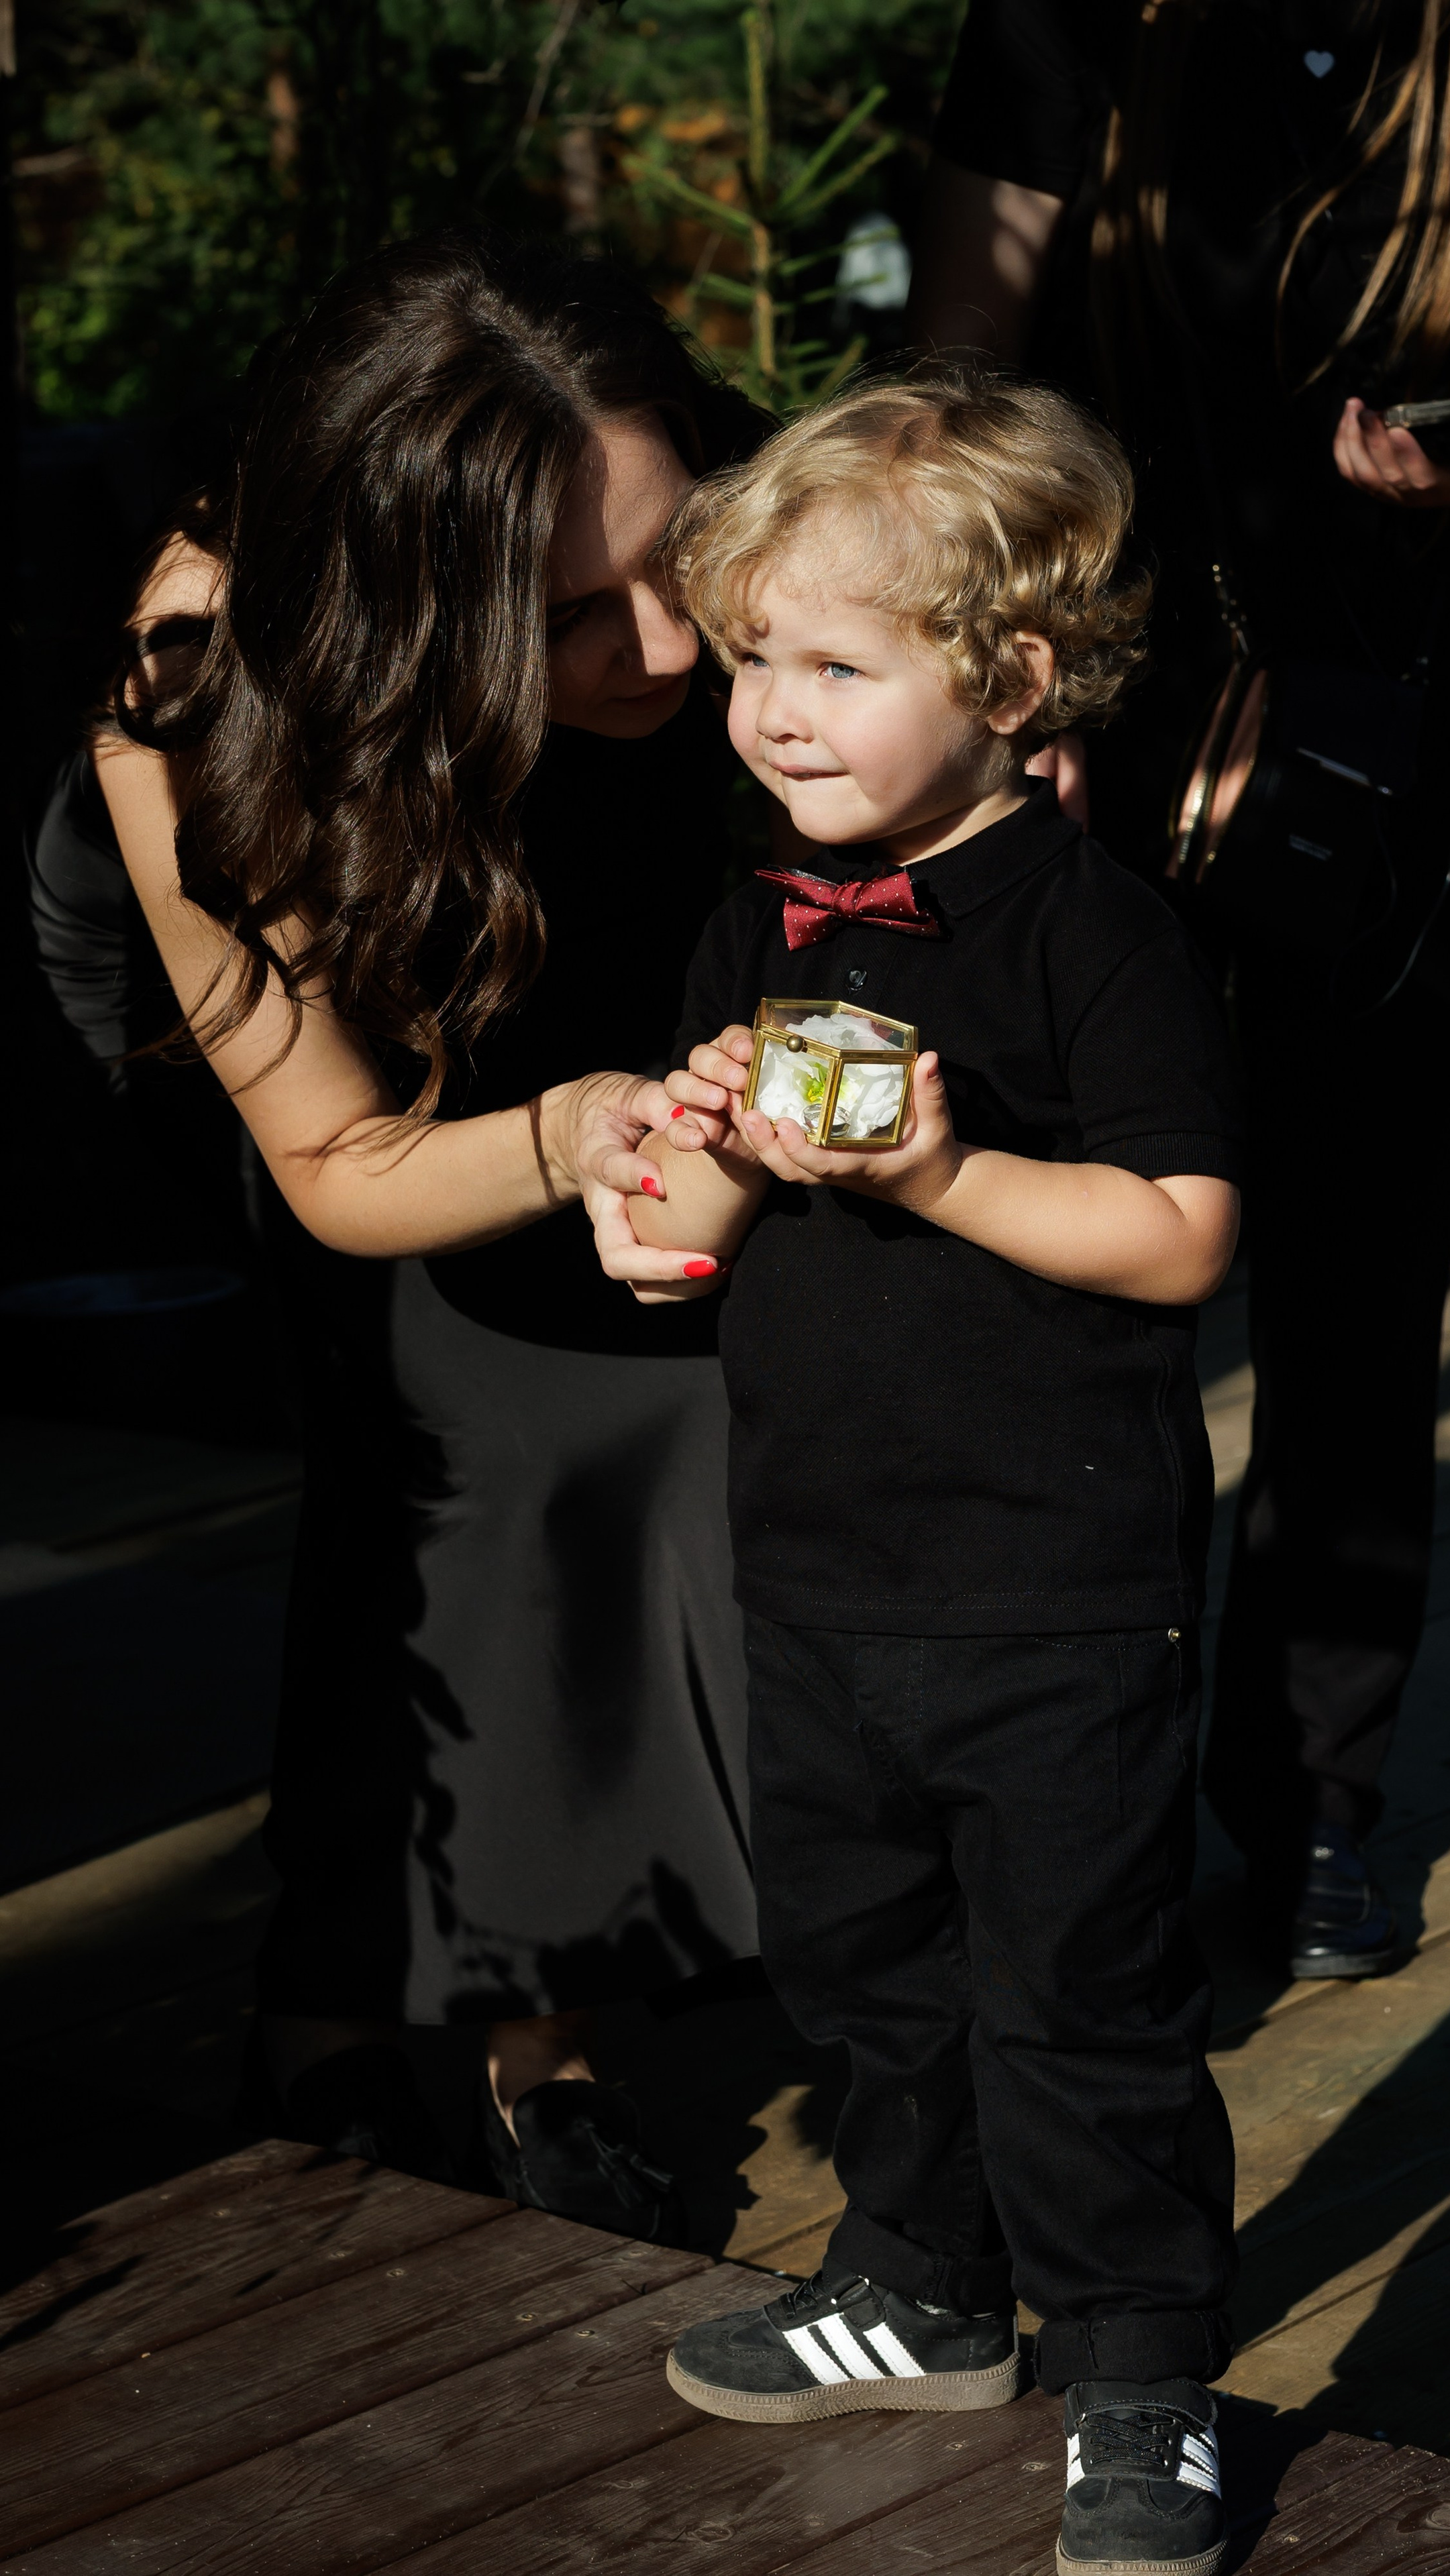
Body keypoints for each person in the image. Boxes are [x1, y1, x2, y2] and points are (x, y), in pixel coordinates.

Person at [909, 0, 1450, 1976]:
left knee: (1357, 1299)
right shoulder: (1066, 19)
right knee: (1079, 1289)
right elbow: (958, 381)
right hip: (1105, 717)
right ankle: (1078, 1793)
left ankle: (1318, 1797)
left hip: (1409, 741)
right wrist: (1006, 680)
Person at [615, 374, 1245, 2576]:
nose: (774, 711)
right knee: (868, 1966)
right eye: (757, 657)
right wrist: (670, 1180)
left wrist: (951, 1166)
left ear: (1012, 683)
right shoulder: (764, 920)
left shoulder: (1096, 931)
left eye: (839, 664)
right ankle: (924, 2285)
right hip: (818, 1569)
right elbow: (692, 1255)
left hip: (1058, 1588)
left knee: (1081, 1989)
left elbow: (1177, 1233)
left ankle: (1149, 2367)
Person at [93, 229, 770, 2235]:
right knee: (451, 1454)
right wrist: (575, 1133)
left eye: (687, 563)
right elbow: (345, 1163)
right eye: (583, 612)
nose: (669, 646)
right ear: (420, 611)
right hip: (319, 980)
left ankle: (520, 2029)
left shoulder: (645, 619)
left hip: (574, 867)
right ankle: (369, 2025)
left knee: (635, 1418)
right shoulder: (201, 696)